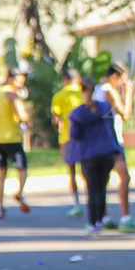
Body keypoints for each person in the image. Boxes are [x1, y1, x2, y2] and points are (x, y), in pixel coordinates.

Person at [67, 76, 121, 236]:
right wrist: (116, 148)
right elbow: (112, 129)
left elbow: (75, 135)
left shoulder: (78, 113)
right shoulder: (105, 107)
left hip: (89, 155)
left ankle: (92, 223)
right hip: (106, 153)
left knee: (92, 190)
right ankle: (99, 221)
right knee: (102, 189)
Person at [94, 62, 135, 231]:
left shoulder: (98, 89)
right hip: (111, 140)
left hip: (101, 140)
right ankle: (125, 217)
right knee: (125, 178)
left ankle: (104, 217)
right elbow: (126, 114)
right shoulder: (109, 91)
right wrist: (128, 94)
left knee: (103, 180)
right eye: (123, 80)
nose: (123, 84)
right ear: (115, 76)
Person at [0, 69, 32, 219]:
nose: (19, 85)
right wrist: (26, 119)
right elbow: (22, 115)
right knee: (22, 169)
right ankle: (19, 192)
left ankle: (0, 207)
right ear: (9, 79)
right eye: (18, 81)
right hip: (11, 138)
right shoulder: (12, 95)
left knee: (1, 173)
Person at [51, 69, 85, 217]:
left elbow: (56, 118)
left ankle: (76, 203)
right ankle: (92, 200)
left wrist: (58, 125)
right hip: (84, 136)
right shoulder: (83, 92)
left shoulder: (59, 95)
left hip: (67, 137)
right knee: (86, 170)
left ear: (65, 80)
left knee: (72, 172)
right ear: (78, 79)